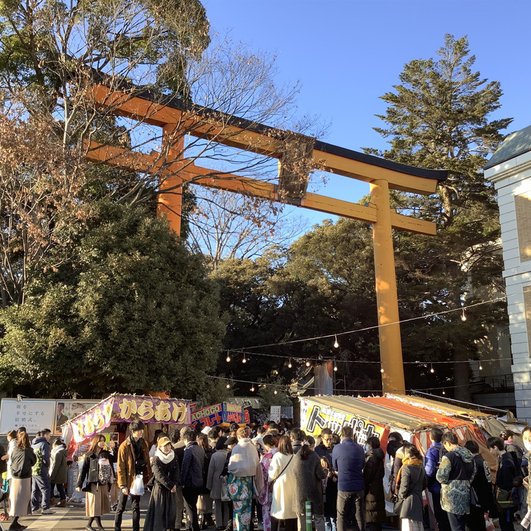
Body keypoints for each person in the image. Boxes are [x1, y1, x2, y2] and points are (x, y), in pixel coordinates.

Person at [115, 420, 152, 531]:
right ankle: (117, 528)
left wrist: (147, 478)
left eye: (142, 430)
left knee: (136, 506)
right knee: (121, 506)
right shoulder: (124, 446)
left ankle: (136, 529)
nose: (141, 432)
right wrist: (122, 485)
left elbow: (146, 462)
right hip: (127, 478)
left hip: (138, 477)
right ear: (132, 431)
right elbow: (120, 466)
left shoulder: (144, 443)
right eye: (138, 430)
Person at [436, 431, 475, 531]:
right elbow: (473, 473)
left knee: (456, 527)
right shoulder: (469, 455)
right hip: (466, 494)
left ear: (448, 443)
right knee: (464, 525)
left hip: (452, 498)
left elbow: (441, 477)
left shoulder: (449, 457)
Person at [227, 427, 263, 531]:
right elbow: (256, 464)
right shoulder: (252, 447)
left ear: (238, 436)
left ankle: (238, 528)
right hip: (249, 482)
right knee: (247, 509)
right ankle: (246, 528)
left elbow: (232, 466)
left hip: (238, 482)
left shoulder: (237, 448)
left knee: (237, 510)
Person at [76, 434, 113, 531]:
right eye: (100, 440)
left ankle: (89, 525)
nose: (102, 443)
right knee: (95, 504)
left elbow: (112, 463)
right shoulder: (90, 454)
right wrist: (79, 484)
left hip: (103, 482)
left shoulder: (106, 454)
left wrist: (113, 448)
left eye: (103, 441)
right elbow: (84, 470)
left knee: (98, 505)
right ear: (95, 442)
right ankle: (99, 526)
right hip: (93, 483)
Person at [332, 425, 365, 531]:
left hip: (344, 485)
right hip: (359, 485)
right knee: (359, 514)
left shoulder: (337, 448)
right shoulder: (360, 448)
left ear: (342, 436)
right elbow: (363, 465)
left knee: (341, 514)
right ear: (352, 435)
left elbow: (335, 466)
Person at [143, 436, 180, 531]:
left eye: (168, 445)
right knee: (159, 514)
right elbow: (159, 475)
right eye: (164, 446)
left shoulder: (174, 456)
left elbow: (177, 472)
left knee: (171, 513)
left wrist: (175, 483)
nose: (167, 447)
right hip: (160, 489)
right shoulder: (156, 459)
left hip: (171, 489)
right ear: (159, 447)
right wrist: (170, 485)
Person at [292, 436, 327, 531]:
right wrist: (326, 471)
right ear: (313, 445)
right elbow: (321, 475)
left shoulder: (296, 456)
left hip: (299, 493)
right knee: (318, 518)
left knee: (301, 518)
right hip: (314, 492)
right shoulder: (314, 456)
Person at [487, 436, 518, 531]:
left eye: (490, 449)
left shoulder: (506, 462)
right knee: (505, 523)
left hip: (506, 500)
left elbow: (508, 483)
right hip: (506, 499)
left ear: (495, 447)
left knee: (506, 524)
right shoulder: (506, 458)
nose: (490, 452)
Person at [9, 430, 36, 531]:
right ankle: (14, 523)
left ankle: (15, 522)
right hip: (25, 477)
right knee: (23, 500)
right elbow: (34, 461)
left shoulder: (15, 450)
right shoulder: (29, 450)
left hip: (15, 477)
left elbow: (12, 460)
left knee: (16, 500)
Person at [394, 445, 426, 531]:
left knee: (408, 527)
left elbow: (404, 488)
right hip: (418, 502)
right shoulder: (420, 466)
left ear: (407, 454)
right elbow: (424, 484)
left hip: (408, 504)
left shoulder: (406, 468)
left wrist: (400, 497)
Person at [269, 435, 297, 531]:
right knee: (290, 512)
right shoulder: (294, 456)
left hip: (280, 486)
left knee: (277, 511)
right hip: (292, 485)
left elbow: (272, 474)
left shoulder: (277, 456)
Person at [424, 427, 450, 531]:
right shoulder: (447, 449)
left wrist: (425, 482)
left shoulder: (431, 452)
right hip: (448, 486)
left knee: (440, 515)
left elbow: (429, 471)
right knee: (448, 514)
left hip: (436, 486)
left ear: (431, 437)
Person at [464, 440, 492, 531]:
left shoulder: (474, 462)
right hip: (485, 495)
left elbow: (473, 481)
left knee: (476, 523)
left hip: (476, 497)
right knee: (481, 522)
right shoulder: (483, 460)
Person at [181, 429, 205, 531]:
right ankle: (192, 525)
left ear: (186, 439)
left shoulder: (188, 450)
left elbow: (184, 467)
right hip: (198, 481)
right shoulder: (200, 449)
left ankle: (194, 525)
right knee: (193, 504)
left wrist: (181, 482)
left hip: (189, 482)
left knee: (190, 506)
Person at [207, 437, 231, 531]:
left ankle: (219, 524)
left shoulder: (215, 455)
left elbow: (210, 471)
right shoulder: (229, 454)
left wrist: (209, 484)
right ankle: (226, 524)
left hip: (216, 480)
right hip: (227, 480)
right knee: (226, 504)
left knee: (217, 504)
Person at [363, 437, 385, 531]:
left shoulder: (371, 458)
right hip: (378, 489)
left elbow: (367, 477)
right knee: (377, 519)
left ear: (370, 446)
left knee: (371, 518)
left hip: (371, 492)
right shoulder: (379, 457)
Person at [31, 428, 55, 514]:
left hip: (34, 469)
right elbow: (46, 458)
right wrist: (48, 465)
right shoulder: (44, 444)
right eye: (49, 435)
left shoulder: (33, 444)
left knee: (35, 489)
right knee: (46, 488)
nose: (49, 437)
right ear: (45, 435)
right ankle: (45, 508)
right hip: (42, 469)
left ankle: (35, 507)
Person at [258, 435, 278, 531]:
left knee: (267, 510)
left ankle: (268, 528)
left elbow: (264, 473)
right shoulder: (281, 453)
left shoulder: (267, 457)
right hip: (279, 485)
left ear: (266, 445)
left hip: (268, 486)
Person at [50, 438, 68, 508]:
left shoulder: (58, 453)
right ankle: (63, 500)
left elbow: (56, 466)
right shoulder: (63, 452)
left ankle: (51, 500)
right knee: (60, 487)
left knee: (51, 486)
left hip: (57, 474)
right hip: (61, 473)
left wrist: (52, 475)